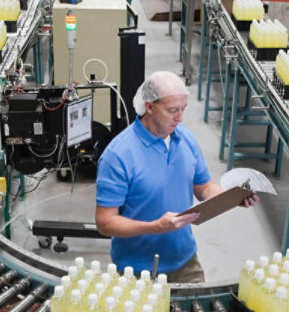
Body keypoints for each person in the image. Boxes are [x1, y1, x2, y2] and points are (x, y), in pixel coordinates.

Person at [95, 71, 259, 283]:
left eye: (183, 109)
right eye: (173, 110)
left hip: (185, 262)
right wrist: (156, 227)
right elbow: (105, 223)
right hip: (137, 271)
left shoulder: (186, 139)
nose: (180, 118)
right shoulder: (118, 155)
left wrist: (231, 197)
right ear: (150, 107)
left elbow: (204, 186)